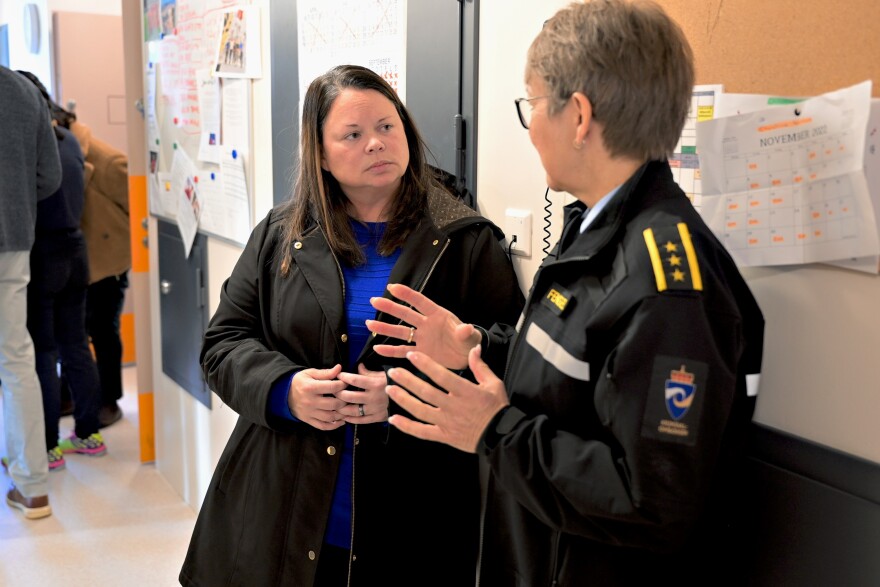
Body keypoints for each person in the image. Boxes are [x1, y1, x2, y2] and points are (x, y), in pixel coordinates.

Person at [367, 1, 766, 585]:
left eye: (531, 105)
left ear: (578, 116)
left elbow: (650, 502)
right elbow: (582, 379)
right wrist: (475, 345)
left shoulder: (670, 291)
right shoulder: (597, 228)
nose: (529, 127)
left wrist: (493, 429)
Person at [179, 64, 524, 586]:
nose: (376, 145)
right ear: (320, 152)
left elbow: (512, 353)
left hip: (413, 511)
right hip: (289, 504)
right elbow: (223, 343)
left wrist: (404, 392)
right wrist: (284, 389)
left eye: (388, 127)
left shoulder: (463, 239)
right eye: (353, 134)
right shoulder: (281, 234)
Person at [18, 70, 108, 472]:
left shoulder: (31, 143)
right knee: (76, 345)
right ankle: (89, 434)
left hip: (44, 254)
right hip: (77, 249)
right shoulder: (70, 138)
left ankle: (49, 445)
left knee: (43, 351)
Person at [0, 65, 62, 519]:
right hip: (12, 238)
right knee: (16, 359)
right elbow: (49, 178)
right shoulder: (24, 92)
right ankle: (33, 485)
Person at [68, 115, 131, 428]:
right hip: (78, 260)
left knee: (104, 331)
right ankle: (75, 394)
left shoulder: (107, 160)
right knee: (73, 331)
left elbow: (137, 207)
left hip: (108, 262)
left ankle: (110, 399)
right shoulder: (61, 150)